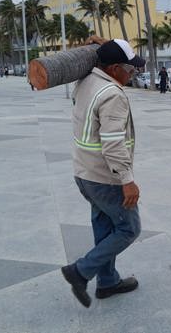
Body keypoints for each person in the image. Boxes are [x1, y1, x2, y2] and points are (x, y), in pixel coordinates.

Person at [61, 38, 145, 308]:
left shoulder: (86, 82)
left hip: (84, 175)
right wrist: (127, 181)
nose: (132, 75)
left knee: (105, 226)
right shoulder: (112, 94)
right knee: (129, 228)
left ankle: (107, 282)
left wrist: (99, 45)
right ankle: (80, 271)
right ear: (113, 68)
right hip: (106, 178)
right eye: (130, 70)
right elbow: (113, 143)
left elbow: (98, 59)